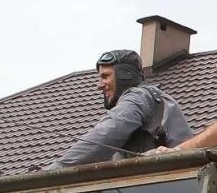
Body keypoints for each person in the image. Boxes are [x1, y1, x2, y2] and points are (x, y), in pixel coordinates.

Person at [55, 49, 193, 167]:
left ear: (124, 75)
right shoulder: (150, 99)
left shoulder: (139, 96)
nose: (99, 85)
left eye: (105, 76)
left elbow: (104, 135)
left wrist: (55, 170)